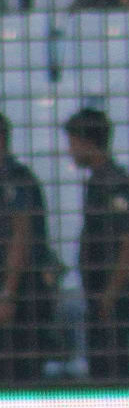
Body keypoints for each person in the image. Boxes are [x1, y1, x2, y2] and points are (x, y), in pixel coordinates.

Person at [64, 108, 129, 379]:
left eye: (73, 144)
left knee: (113, 375)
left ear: (87, 142)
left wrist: (109, 296)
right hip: (99, 298)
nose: (70, 152)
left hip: (112, 301)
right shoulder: (97, 183)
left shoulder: (115, 184)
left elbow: (128, 244)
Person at [0, 112, 58, 380]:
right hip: (15, 293)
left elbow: (20, 240)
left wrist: (8, 295)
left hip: (22, 295)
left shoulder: (15, 180)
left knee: (19, 373)